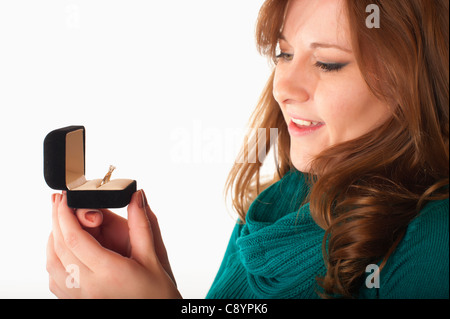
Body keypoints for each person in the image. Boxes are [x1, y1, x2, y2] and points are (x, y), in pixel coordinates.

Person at [46, 0, 449, 299]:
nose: (283, 88)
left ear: (413, 78)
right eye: (284, 54)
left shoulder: (433, 243)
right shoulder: (273, 209)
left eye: (327, 62)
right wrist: (155, 283)